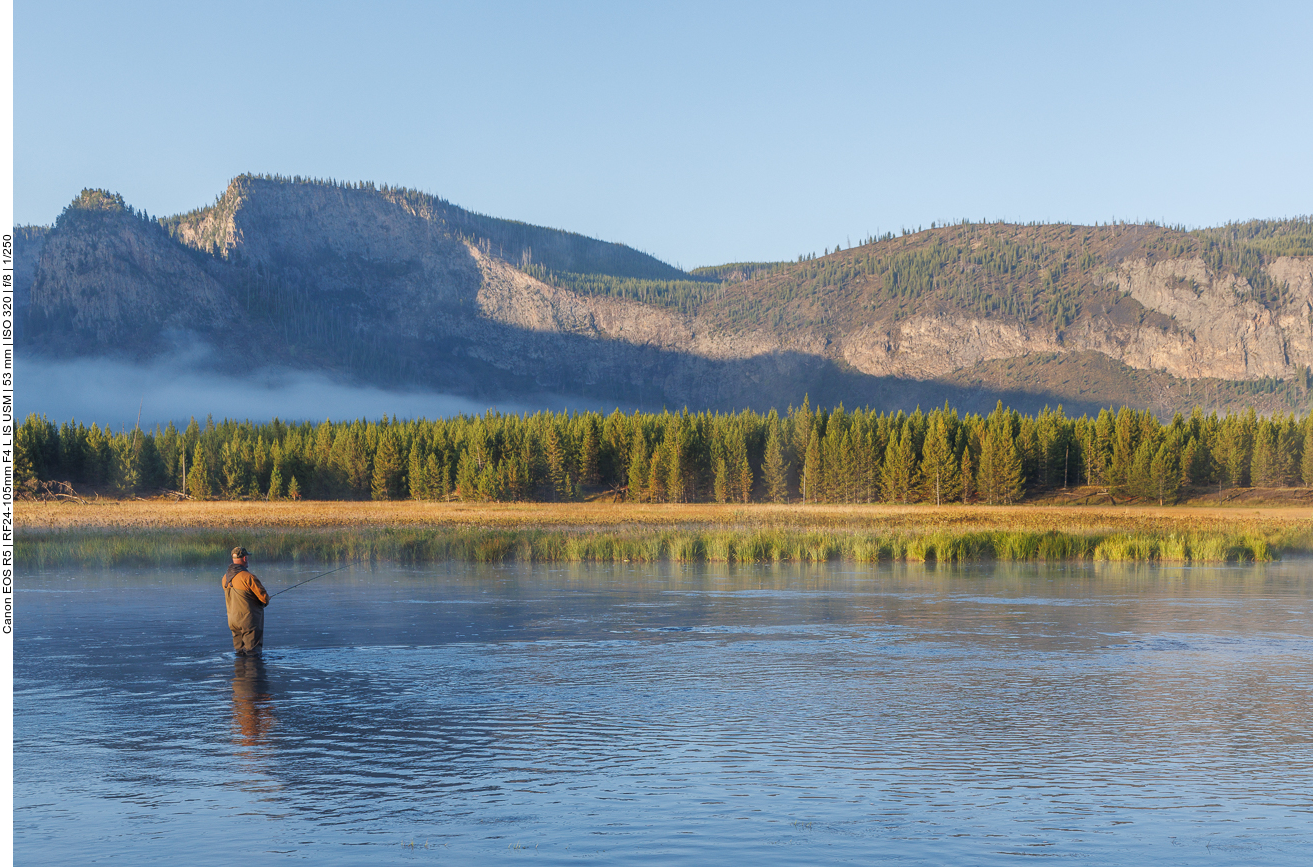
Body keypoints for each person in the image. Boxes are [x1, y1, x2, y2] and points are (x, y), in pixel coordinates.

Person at [223, 546, 270, 655]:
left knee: (239, 653)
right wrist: (266, 600)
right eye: (247, 557)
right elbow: (264, 598)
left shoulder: (225, 578)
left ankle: (239, 671)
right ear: (244, 558)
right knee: (252, 654)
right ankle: (254, 671)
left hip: (233, 621)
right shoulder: (248, 577)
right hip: (248, 622)